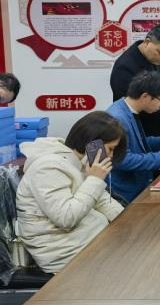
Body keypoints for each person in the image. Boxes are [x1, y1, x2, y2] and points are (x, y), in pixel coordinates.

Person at [16, 112, 127, 273]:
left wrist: (127, 222)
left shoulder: (77, 161)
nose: (110, 156)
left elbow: (100, 200)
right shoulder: (48, 167)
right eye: (110, 149)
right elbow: (66, 218)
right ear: (93, 143)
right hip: (66, 253)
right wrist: (95, 179)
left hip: (84, 241)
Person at [107, 71, 160, 203]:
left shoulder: (127, 109)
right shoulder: (118, 118)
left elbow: (135, 142)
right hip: (124, 193)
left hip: (137, 184)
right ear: (146, 96)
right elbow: (122, 160)